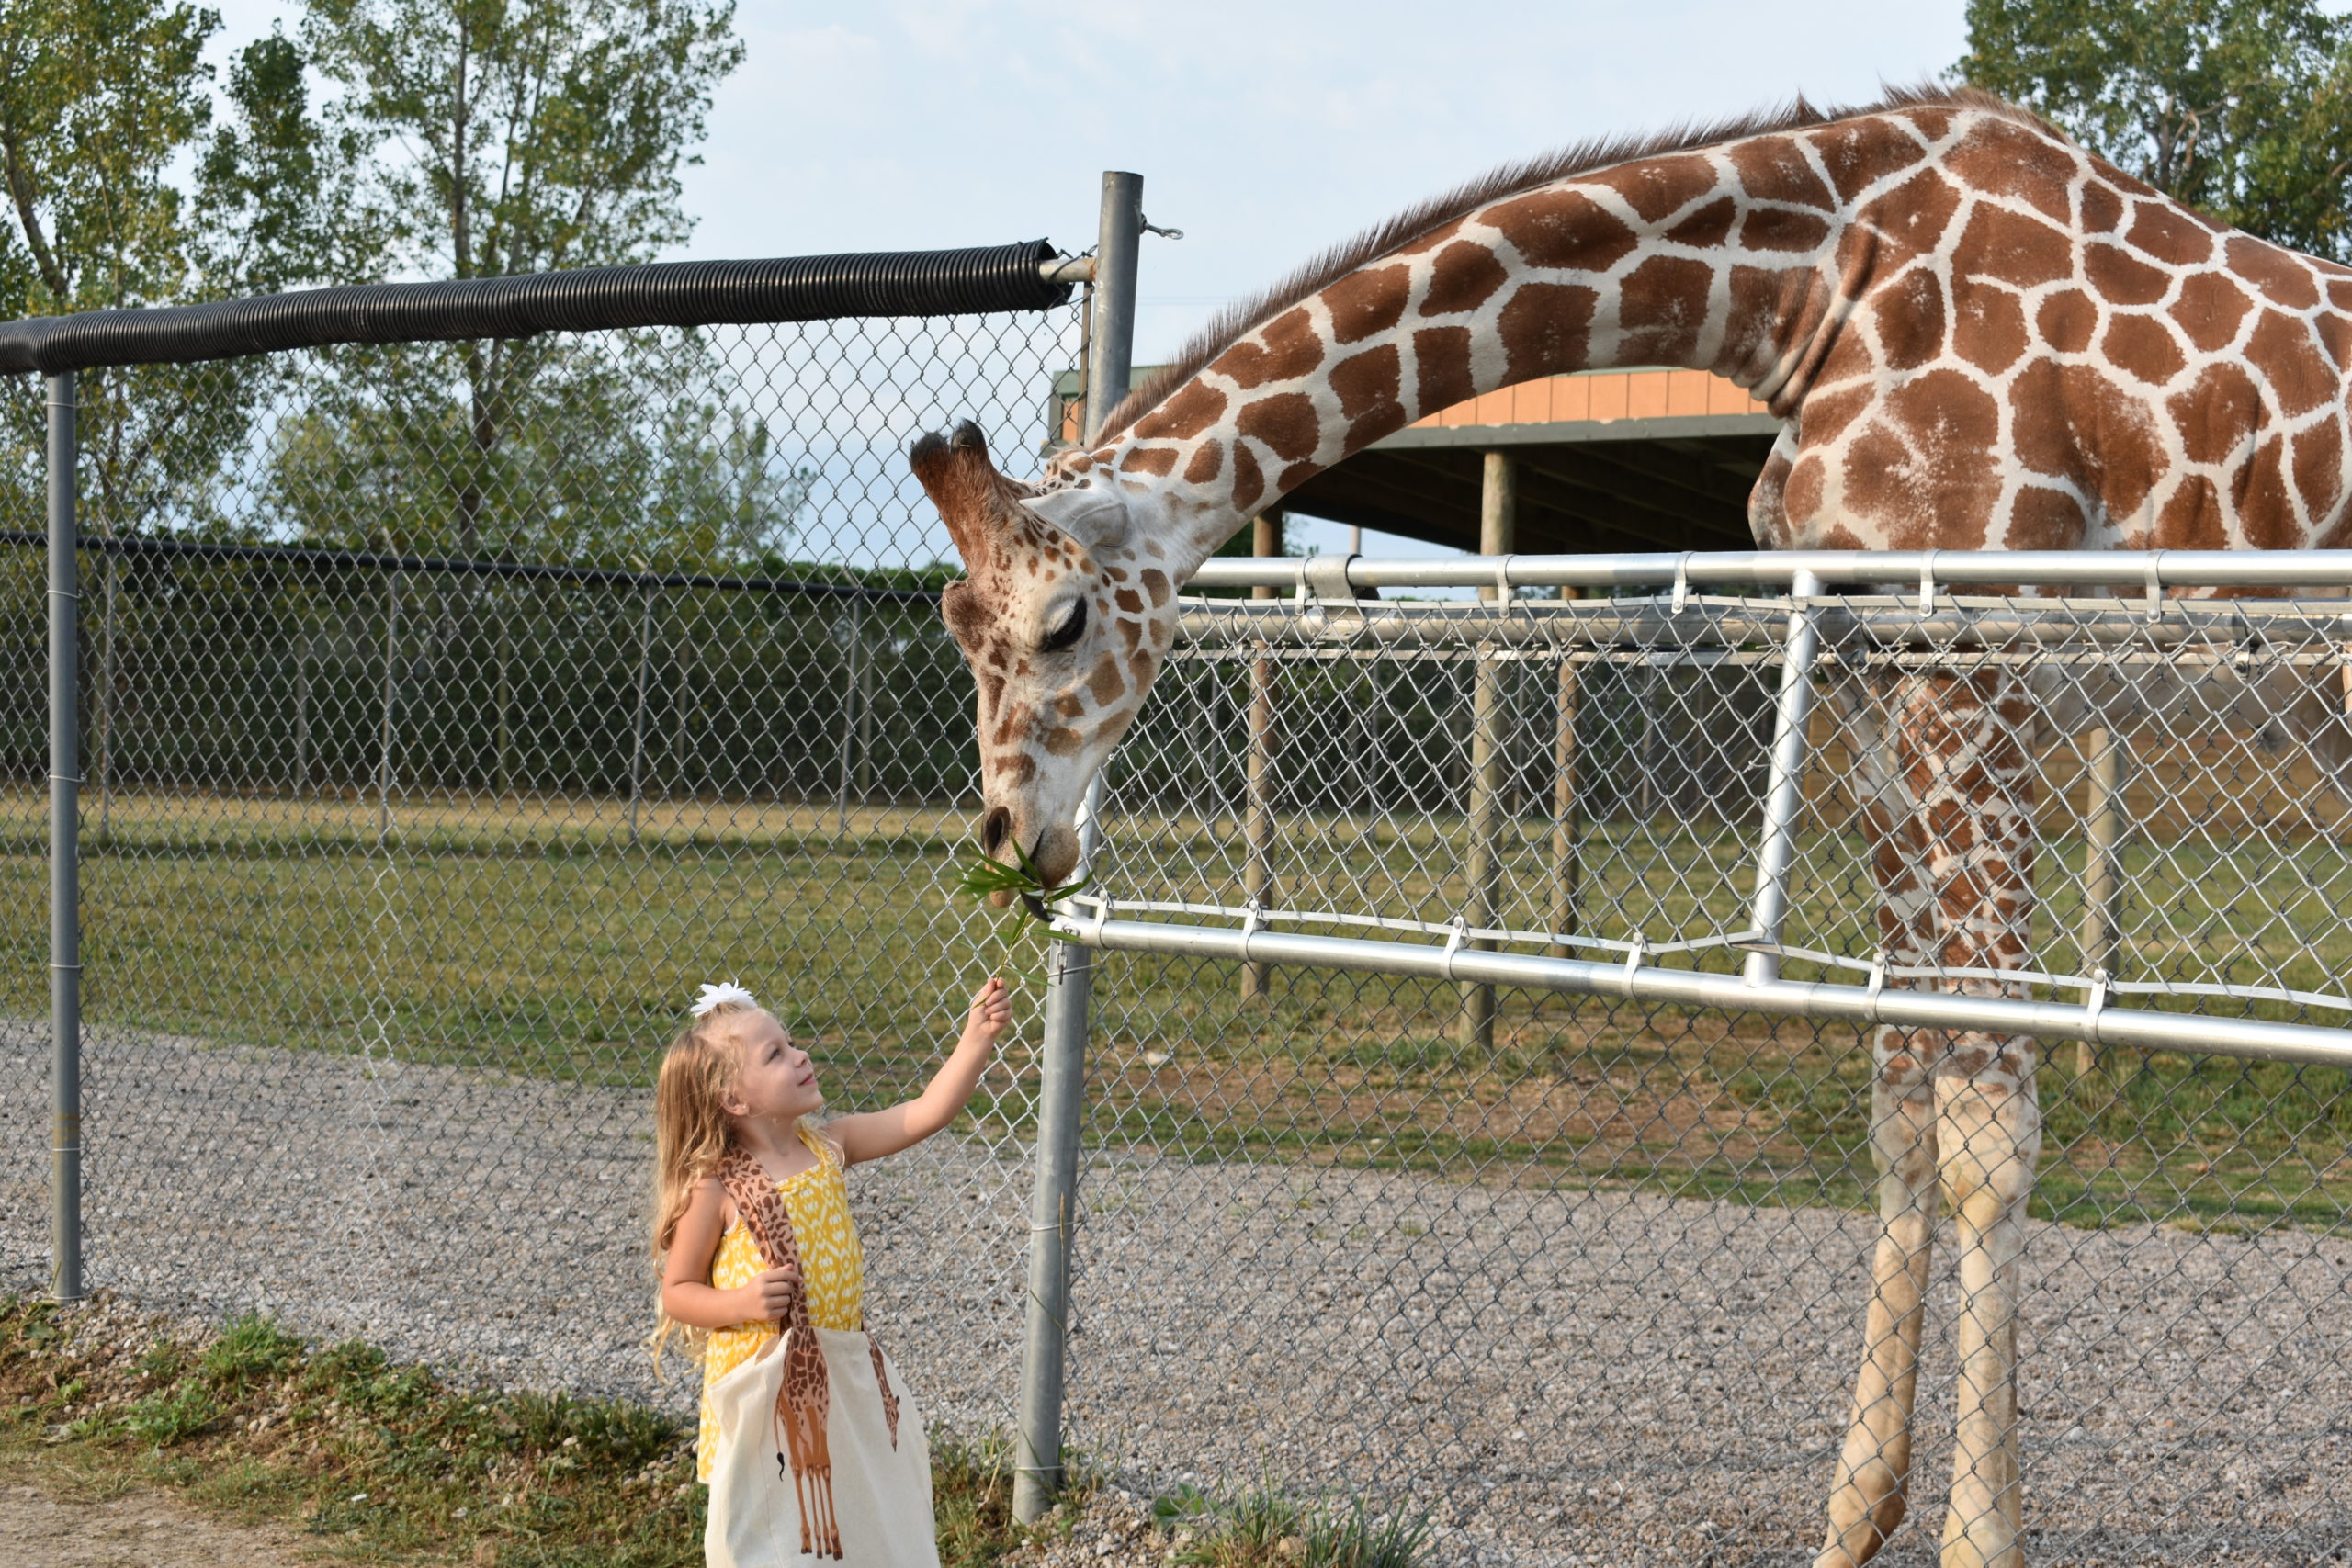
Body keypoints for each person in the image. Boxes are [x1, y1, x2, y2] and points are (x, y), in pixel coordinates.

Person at [651, 976, 1012, 1567]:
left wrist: (977, 1036)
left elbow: (924, 1113)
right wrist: (740, 1302)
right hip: (763, 1396)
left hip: (838, 1379)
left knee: (850, 1514)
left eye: (790, 1043)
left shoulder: (829, 1147)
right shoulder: (714, 1189)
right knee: (771, 1535)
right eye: (776, 1054)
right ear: (734, 1101)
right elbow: (679, 1292)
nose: (801, 1055)